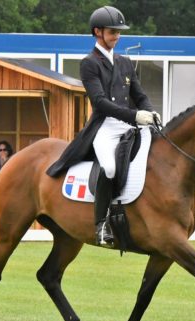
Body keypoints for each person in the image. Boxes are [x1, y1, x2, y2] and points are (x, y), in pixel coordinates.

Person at [46, 6, 159, 247]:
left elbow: (139, 95)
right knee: (108, 168)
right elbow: (100, 103)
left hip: (129, 126)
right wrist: (135, 116)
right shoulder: (89, 63)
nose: (116, 37)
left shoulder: (125, 62)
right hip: (105, 127)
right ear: (97, 32)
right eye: (112, 32)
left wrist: (149, 111)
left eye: (118, 32)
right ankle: (101, 225)